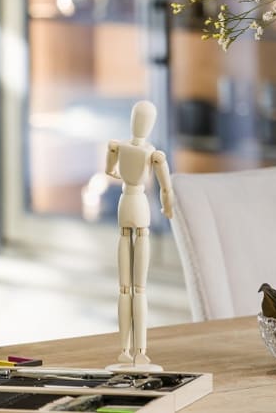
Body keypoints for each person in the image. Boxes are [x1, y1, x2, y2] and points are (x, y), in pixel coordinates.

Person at [105, 100, 173, 370]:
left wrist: (115, 169)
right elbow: (166, 189)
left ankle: (126, 350)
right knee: (138, 288)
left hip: (125, 205)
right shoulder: (153, 154)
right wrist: (167, 208)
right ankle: (139, 351)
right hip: (140, 208)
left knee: (125, 288)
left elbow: (109, 170)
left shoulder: (118, 146)